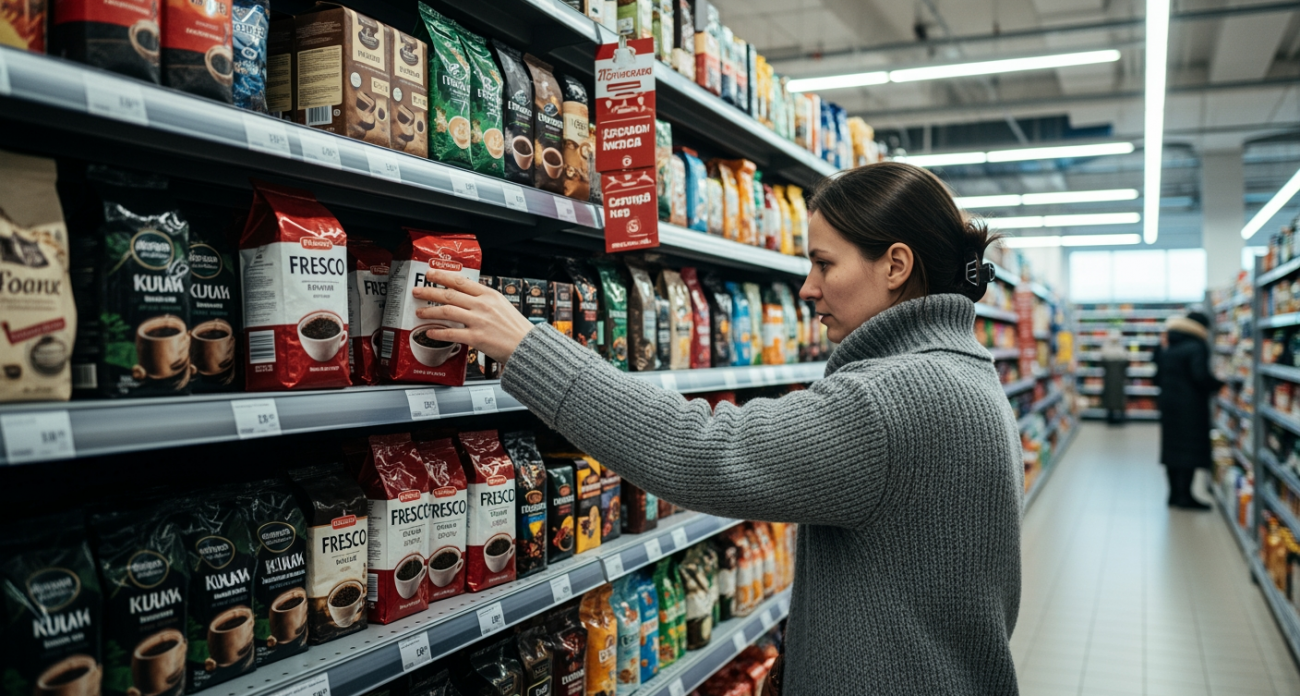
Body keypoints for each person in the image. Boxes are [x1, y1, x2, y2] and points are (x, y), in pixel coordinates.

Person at [412, 163, 1024, 695]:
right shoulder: (966, 373)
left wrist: (526, 346)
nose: (808, 289)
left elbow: (701, 450)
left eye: (822, 263)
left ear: (895, 265)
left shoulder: (895, 400)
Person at [1154, 312, 1222, 510]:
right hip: (1190, 407)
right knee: (1188, 451)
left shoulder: (1166, 343)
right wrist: (1218, 384)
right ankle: (1185, 496)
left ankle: (1174, 494)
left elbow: (1156, 376)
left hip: (1168, 404)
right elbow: (1200, 376)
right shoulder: (1196, 345)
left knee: (1172, 449)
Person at [1100, 330, 1129, 424]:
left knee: (1110, 397)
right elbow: (1126, 362)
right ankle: (1120, 416)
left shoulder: (1105, 349)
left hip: (1109, 378)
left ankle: (1110, 416)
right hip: (1119, 379)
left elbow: (1102, 362)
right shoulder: (1121, 349)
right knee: (1119, 397)